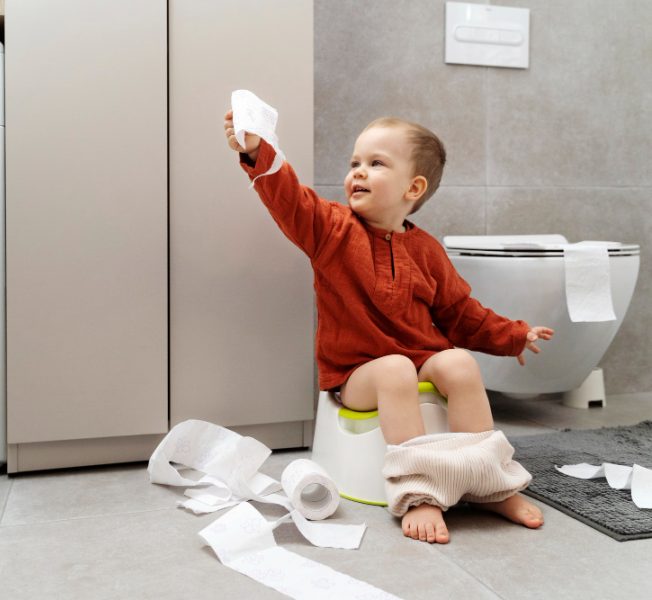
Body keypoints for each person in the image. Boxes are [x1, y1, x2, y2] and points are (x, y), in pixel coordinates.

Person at [224, 110, 553, 544]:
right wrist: (255, 151)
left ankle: (487, 483)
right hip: (357, 373)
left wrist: (512, 334)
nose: (358, 172)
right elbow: (289, 198)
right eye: (354, 163)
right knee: (396, 368)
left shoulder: (428, 250)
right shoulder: (331, 230)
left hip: (416, 359)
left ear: (413, 188)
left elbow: (460, 313)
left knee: (458, 363)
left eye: (376, 164)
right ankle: (419, 493)